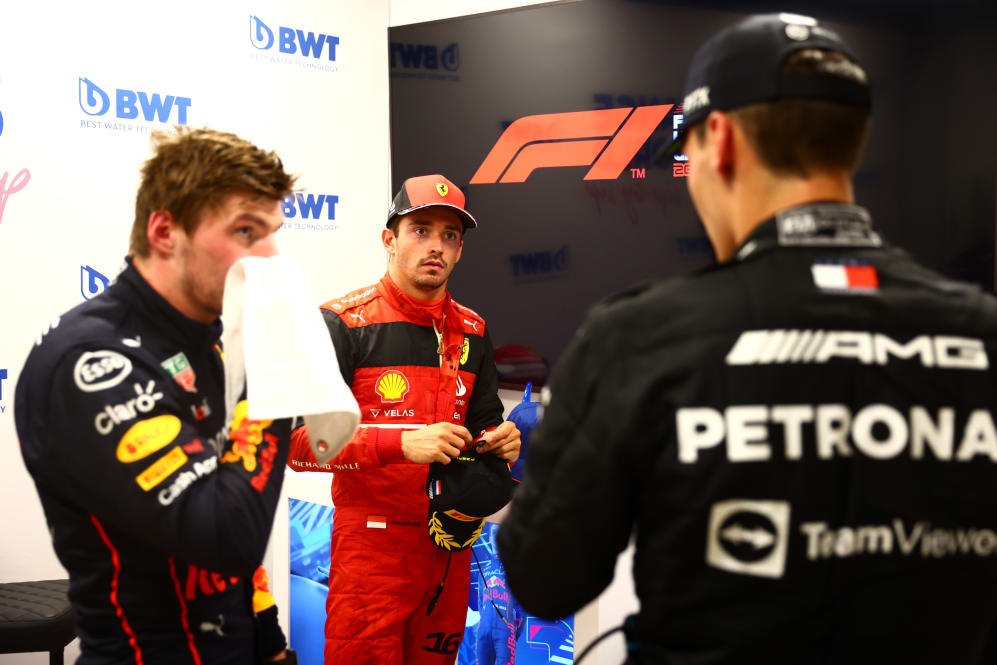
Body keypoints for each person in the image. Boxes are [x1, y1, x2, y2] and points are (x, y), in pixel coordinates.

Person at [496, 13, 997, 665]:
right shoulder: (981, 330)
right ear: (851, 143)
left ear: (721, 140)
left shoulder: (636, 337)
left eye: (688, 154)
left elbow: (543, 579)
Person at [16, 127, 299, 664]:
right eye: (245, 230)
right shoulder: (89, 362)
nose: (269, 256)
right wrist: (278, 373)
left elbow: (235, 500)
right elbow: (226, 537)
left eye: (272, 233)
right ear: (165, 231)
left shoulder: (208, 341)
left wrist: (269, 641)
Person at [287, 174, 520, 665]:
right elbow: (298, 445)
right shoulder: (341, 324)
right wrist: (399, 443)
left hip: (450, 549)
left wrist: (500, 441)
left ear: (460, 250)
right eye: (421, 230)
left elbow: (484, 424)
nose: (436, 246)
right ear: (389, 239)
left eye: (450, 235)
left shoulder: (474, 330)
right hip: (371, 552)